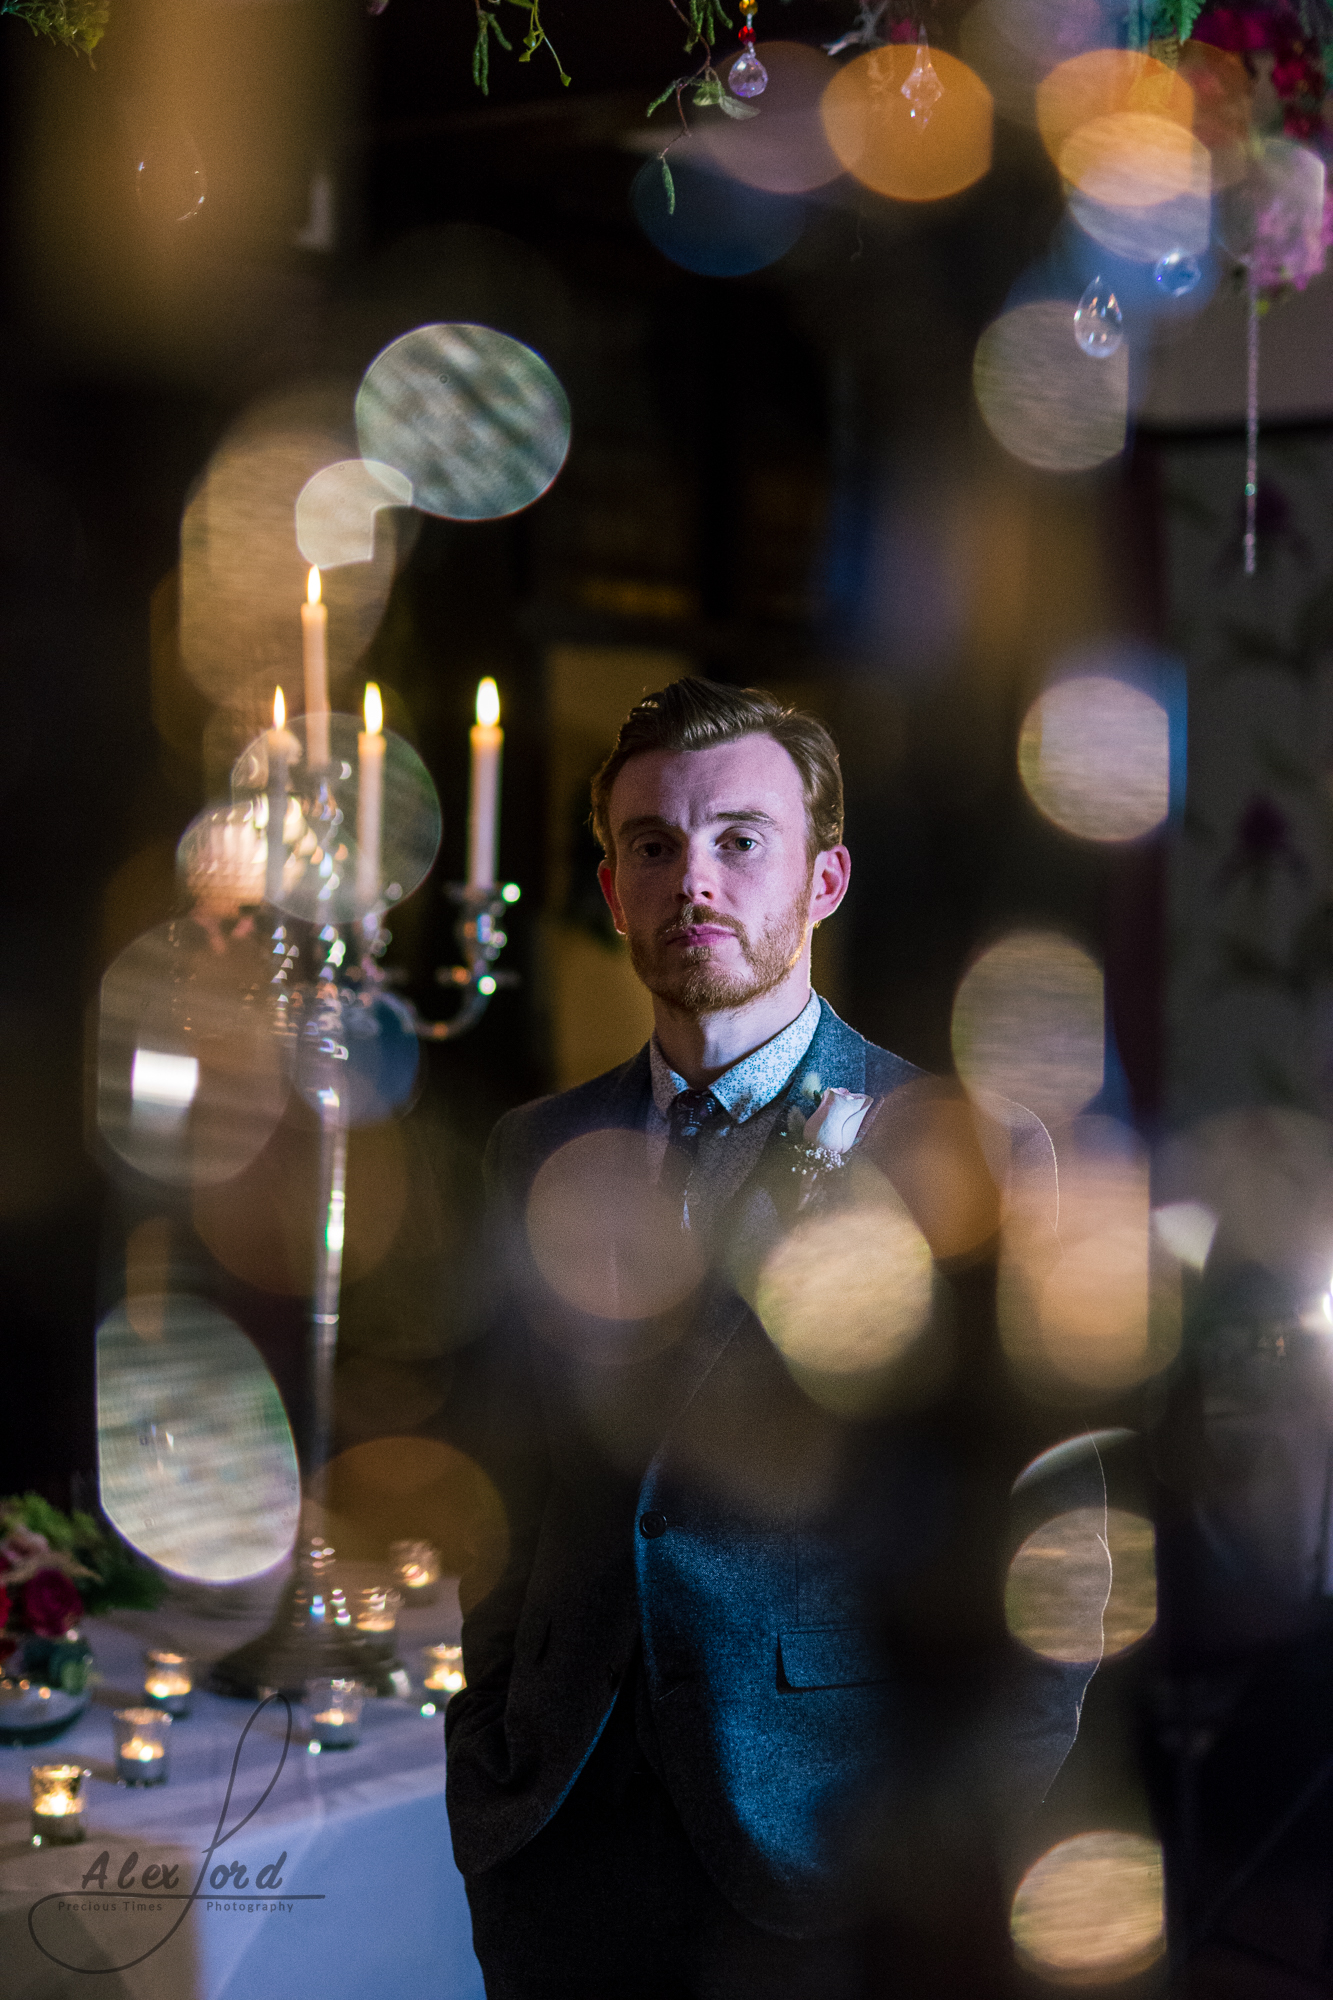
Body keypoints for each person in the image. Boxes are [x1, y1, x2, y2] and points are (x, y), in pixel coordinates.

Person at [444, 677, 1058, 1998]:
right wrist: (486, 1741)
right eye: (651, 846)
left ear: (824, 877)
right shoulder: (535, 1149)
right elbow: (503, 1481)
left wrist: (961, 1848)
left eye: (738, 838)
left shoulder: (958, 1150)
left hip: (828, 1838)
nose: (691, 879)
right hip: (552, 1829)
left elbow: (1047, 1554)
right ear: (611, 892)